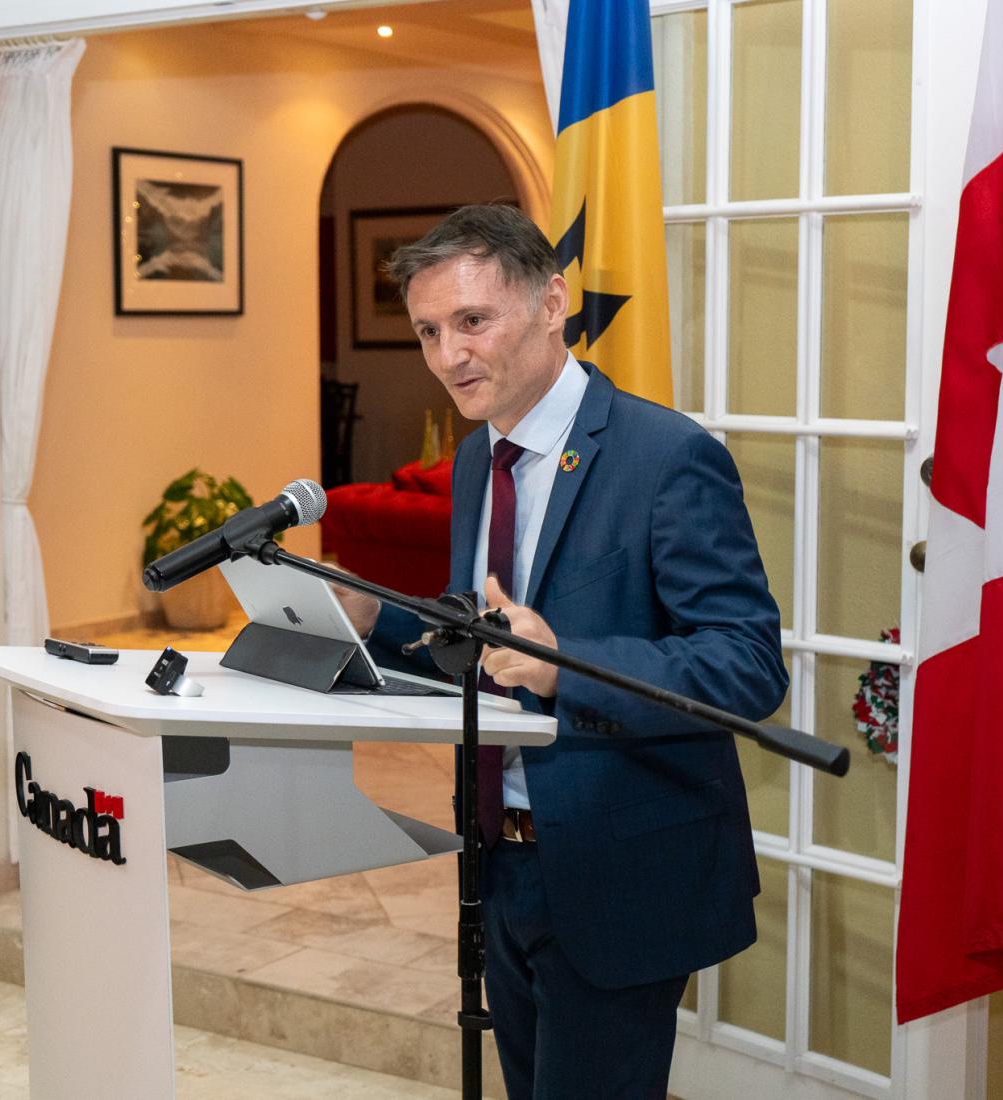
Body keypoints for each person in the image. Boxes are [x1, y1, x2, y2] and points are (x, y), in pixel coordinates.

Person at [337, 204, 787, 1099]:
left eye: (473, 321)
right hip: (497, 863)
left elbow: (746, 667)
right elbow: (486, 647)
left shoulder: (669, 456)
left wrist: (563, 660)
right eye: (429, 331)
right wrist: (369, 613)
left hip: (622, 872)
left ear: (552, 302)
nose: (448, 356)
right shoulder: (479, 459)